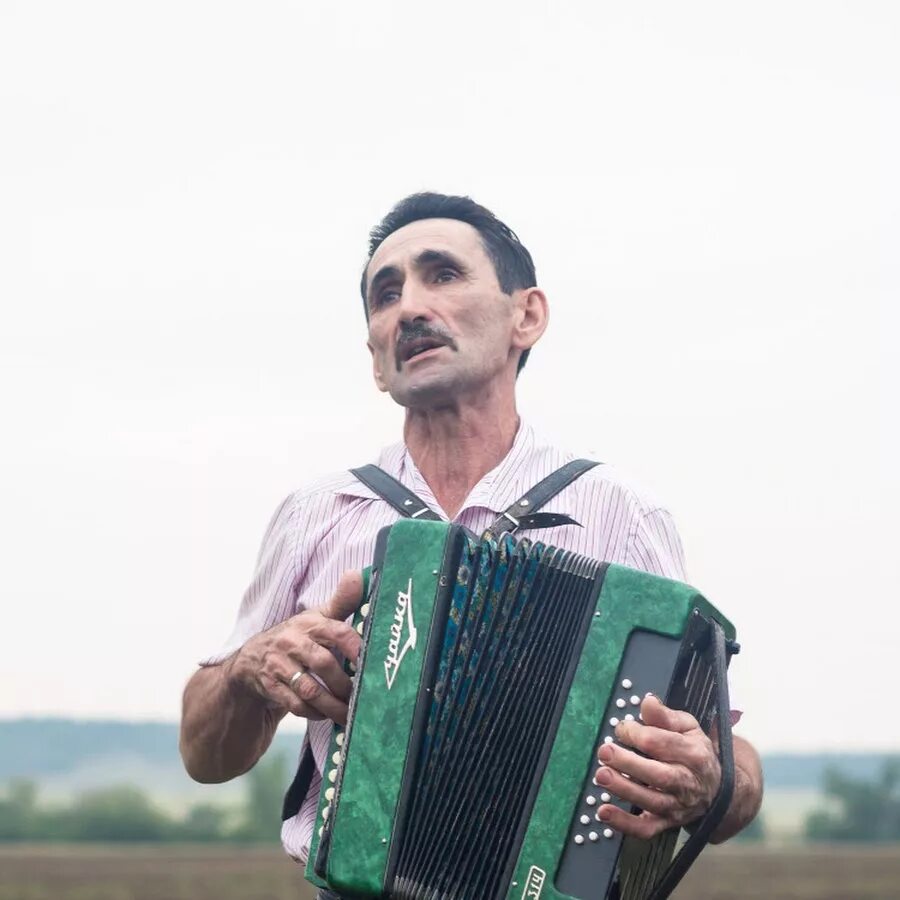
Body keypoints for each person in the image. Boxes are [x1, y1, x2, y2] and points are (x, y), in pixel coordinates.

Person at [179, 193, 764, 895]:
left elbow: (733, 770)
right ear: (375, 358)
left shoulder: (624, 512)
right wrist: (250, 666)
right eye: (385, 294)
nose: (410, 308)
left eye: (443, 275)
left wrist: (707, 780)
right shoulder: (320, 511)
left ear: (528, 315)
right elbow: (203, 755)